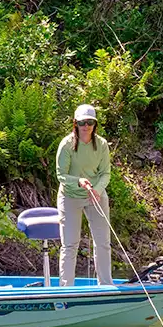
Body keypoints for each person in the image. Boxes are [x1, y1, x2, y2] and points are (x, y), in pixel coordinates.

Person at [55, 104, 112, 286]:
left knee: (103, 243)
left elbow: (105, 173)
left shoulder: (102, 144)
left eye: (90, 122)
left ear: (95, 124)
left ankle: (106, 286)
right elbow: (61, 174)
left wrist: (98, 190)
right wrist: (79, 181)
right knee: (70, 244)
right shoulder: (66, 145)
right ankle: (66, 289)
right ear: (75, 124)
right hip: (70, 195)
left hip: (96, 195)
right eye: (82, 123)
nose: (86, 126)